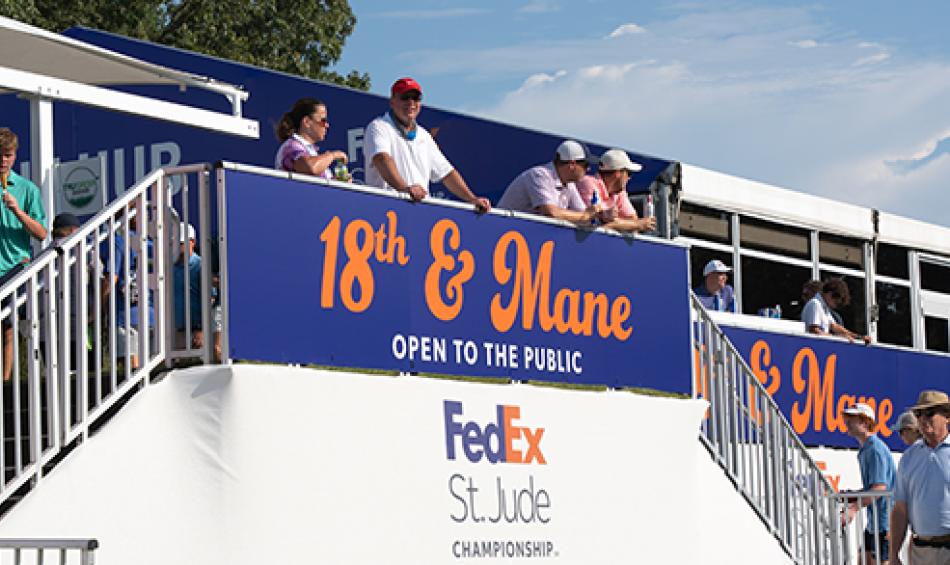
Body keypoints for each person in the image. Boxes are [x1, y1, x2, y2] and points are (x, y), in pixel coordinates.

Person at [363, 77, 490, 212]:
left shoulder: (424, 136)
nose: (411, 102)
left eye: (416, 98)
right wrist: (405, 189)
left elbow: (447, 173)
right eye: (405, 97)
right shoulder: (379, 127)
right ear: (392, 101)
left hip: (418, 212)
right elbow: (382, 159)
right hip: (384, 211)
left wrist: (472, 199)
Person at [0, 128, 48, 381]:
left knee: (9, 327)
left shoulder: (27, 189)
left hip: (14, 268)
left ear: (15, 156)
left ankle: (5, 382)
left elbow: (41, 233)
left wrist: (18, 212)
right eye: (0, 154)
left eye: (7, 155)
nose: (2, 160)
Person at [889, 390, 950, 565]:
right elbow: (900, 509)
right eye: (918, 414)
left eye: (930, 413)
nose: (923, 419)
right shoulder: (908, 458)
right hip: (919, 552)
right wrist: (893, 555)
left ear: (947, 416)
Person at [497, 139, 608, 226]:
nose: (588, 170)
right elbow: (551, 212)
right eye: (585, 166)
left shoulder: (569, 184)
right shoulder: (539, 175)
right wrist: (586, 215)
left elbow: (584, 214)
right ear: (572, 165)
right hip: (500, 231)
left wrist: (599, 215)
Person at [841, 402, 896, 565]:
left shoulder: (874, 449)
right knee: (863, 560)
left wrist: (854, 508)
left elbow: (879, 489)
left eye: (852, 418)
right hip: (876, 522)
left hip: (885, 522)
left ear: (865, 423)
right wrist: (850, 496)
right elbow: (873, 488)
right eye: (847, 418)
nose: (847, 422)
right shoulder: (867, 449)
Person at [575, 148, 656, 233]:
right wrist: (636, 225)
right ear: (618, 173)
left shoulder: (620, 192)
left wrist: (616, 223)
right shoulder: (588, 183)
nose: (629, 178)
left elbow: (632, 219)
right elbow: (593, 226)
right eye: (628, 173)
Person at [173, 224, 221, 362]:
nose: (177, 246)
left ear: (192, 242)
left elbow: (210, 299)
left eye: (181, 243)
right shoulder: (170, 267)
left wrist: (202, 329)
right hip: (179, 332)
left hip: (197, 332)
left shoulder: (201, 265)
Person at [274, 97, 350, 180]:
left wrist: (337, 181)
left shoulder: (311, 152)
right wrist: (333, 155)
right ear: (307, 122)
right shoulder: (291, 146)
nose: (327, 125)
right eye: (323, 120)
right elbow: (311, 167)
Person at [802, 278, 872, 344]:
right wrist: (839, 338)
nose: (835, 306)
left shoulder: (823, 307)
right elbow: (814, 331)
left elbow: (834, 326)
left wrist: (858, 337)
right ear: (829, 294)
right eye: (836, 303)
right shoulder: (815, 304)